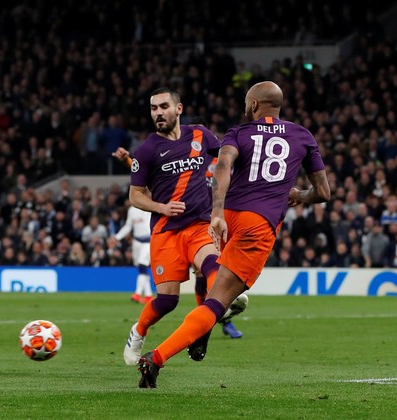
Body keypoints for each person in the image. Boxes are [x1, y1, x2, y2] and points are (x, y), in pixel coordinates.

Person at [137, 81, 330, 388]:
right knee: (218, 301)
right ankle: (156, 358)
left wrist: (216, 214)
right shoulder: (302, 135)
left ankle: (202, 334)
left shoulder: (238, 132)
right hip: (258, 225)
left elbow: (223, 167)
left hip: (229, 215)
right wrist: (298, 195)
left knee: (212, 282)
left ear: (253, 105)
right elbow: (322, 192)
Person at [118, 87, 248, 369]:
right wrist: (161, 207)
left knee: (213, 265)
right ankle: (138, 332)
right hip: (166, 232)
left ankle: (223, 305)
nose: (158, 113)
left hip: (200, 224)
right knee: (167, 301)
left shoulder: (200, 135)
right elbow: (135, 195)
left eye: (163, 106)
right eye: (153, 109)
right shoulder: (147, 150)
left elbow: (226, 156)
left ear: (178, 109)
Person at [111, 203, 154, 304]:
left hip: (148, 241)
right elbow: (128, 226)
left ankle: (137, 294)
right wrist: (117, 237)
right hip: (137, 242)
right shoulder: (132, 210)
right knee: (141, 269)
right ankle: (148, 296)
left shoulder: (150, 206)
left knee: (142, 265)